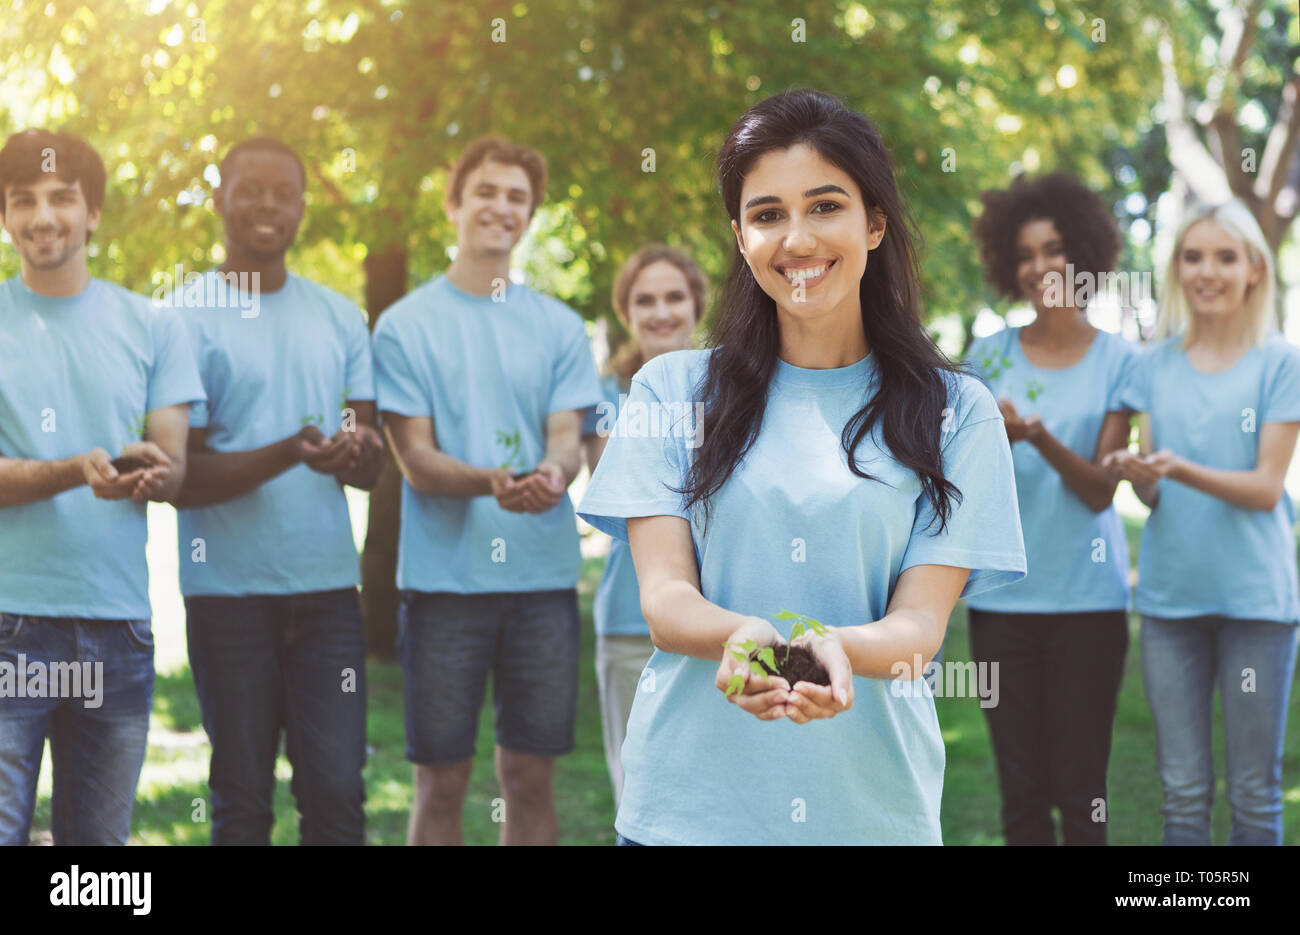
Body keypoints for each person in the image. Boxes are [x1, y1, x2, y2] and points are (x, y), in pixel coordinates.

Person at [578, 89, 1027, 845]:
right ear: (740, 235)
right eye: (767, 214)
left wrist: (838, 650)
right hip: (687, 816)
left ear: (874, 222)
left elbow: (920, 627)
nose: (796, 238)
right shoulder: (669, 390)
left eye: (825, 206)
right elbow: (663, 598)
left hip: (870, 815)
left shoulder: (959, 410)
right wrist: (742, 634)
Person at [374, 137, 604, 846]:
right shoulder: (405, 325)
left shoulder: (561, 327)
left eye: (516, 198)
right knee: (440, 779)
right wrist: (490, 481)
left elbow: (567, 434)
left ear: (529, 217)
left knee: (529, 776)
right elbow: (414, 457)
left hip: (541, 583)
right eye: (486, 192)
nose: (500, 208)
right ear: (454, 202)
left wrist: (555, 472)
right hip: (445, 585)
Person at [173, 137, 382, 845]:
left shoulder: (341, 316)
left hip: (326, 598)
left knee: (336, 794)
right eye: (250, 189)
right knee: (241, 797)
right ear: (219, 200)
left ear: (301, 206)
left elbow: (369, 458)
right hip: (226, 598)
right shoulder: (180, 317)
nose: (268, 204)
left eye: (283, 192)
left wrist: (352, 450)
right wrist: (293, 450)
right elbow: (182, 478)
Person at [0, 129, 205, 845]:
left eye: (62, 197)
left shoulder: (154, 325)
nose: (43, 216)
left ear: (93, 214)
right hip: (9, 626)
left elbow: (175, 470)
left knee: (95, 863)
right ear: (4, 215)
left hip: (116, 631)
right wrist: (72, 468)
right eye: (23, 200)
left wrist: (149, 470)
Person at [1103, 199, 1300, 846]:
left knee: (1254, 792)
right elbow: (1160, 494)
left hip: (1256, 605)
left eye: (1224, 256)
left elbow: (1266, 489)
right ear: (1175, 270)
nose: (1206, 271)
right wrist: (1144, 476)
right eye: (1192, 257)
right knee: (1182, 794)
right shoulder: (1151, 365)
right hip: (1170, 603)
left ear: (1253, 269)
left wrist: (1178, 469)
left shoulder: (1280, 363)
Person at [963, 173, 1138, 845]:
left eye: (1055, 249)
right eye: (1027, 254)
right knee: (1021, 794)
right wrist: (989, 443)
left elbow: (1100, 489)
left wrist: (1038, 435)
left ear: (1085, 255)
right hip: (1001, 607)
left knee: (1080, 790)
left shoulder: (1121, 359)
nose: (1041, 267)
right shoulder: (987, 358)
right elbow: (960, 485)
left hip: (1087, 609)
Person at [581, 245, 706, 807]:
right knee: (638, 791)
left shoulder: (735, 387)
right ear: (626, 312)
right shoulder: (606, 397)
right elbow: (627, 489)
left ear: (696, 305)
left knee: (712, 795)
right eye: (645, 300)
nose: (661, 312)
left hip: (723, 614)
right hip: (631, 620)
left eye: (674, 297)